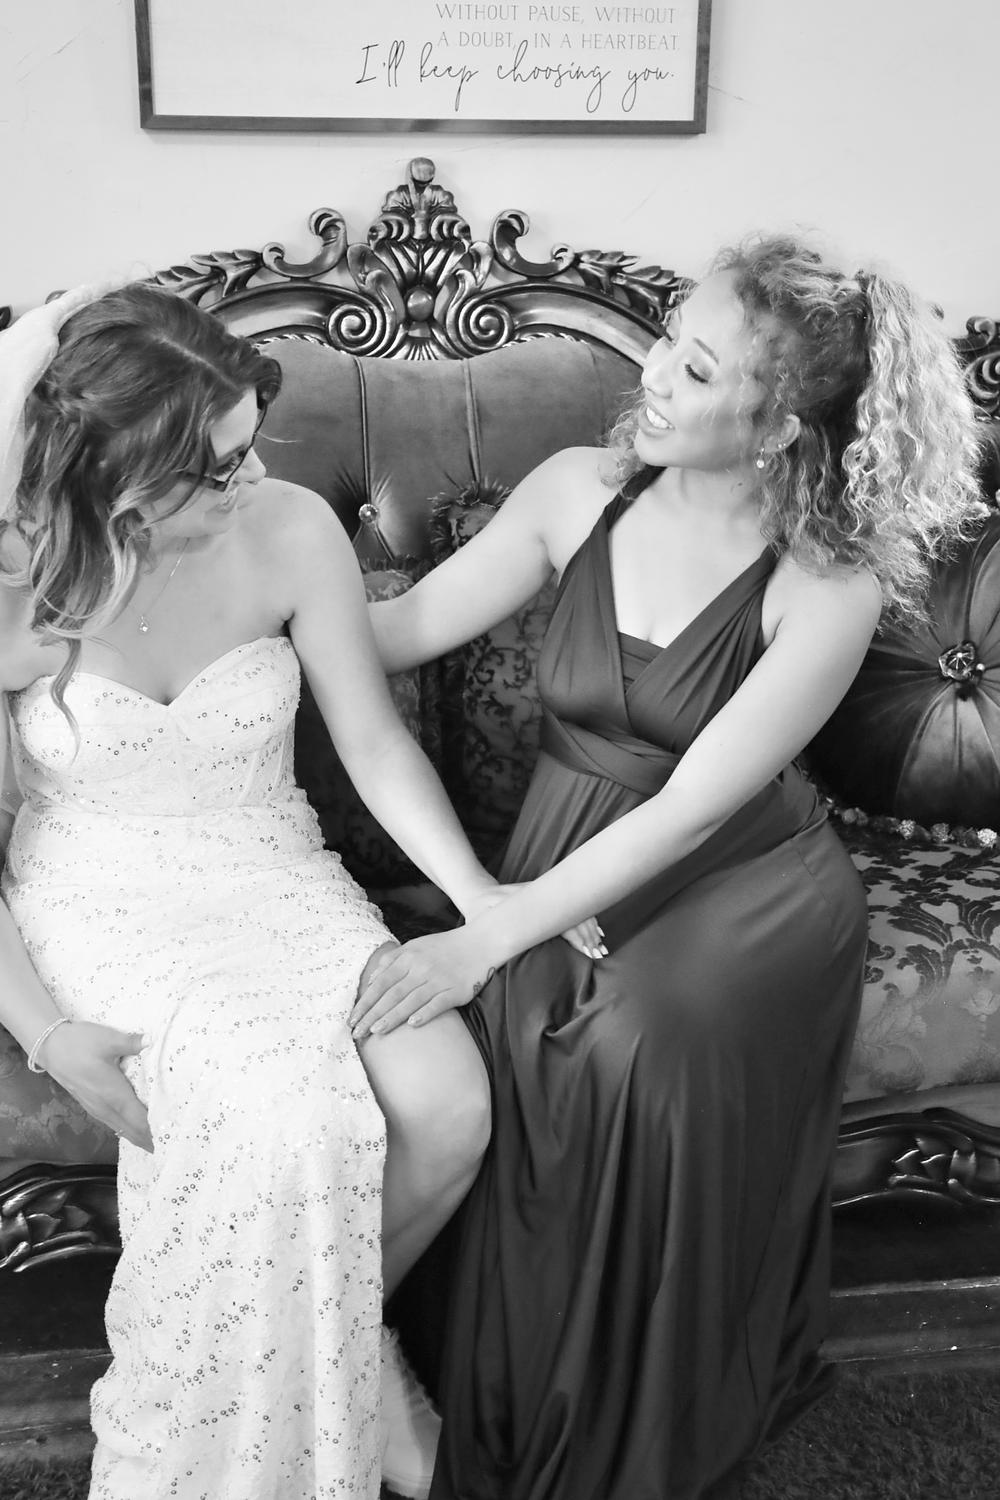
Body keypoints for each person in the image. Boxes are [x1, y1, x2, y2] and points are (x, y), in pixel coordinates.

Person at [353, 236, 985, 1499]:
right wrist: (241, 594)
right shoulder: (576, 490)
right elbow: (397, 629)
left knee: (631, 1043)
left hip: (743, 879)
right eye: (664, 340)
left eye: (694, 369)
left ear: (778, 427)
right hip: (569, 842)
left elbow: (696, 808)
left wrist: (490, 931)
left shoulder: (829, 582)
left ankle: (617, 1417)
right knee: (527, 1026)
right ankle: (479, 1387)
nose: (649, 373)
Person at [0, 283, 496, 1500]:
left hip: (270, 867)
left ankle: (346, 1355)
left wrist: (484, 901)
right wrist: (47, 1032)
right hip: (103, 893)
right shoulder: (19, 588)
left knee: (448, 1105)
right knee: (287, 1121)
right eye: (219, 466)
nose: (257, 473)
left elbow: (373, 745)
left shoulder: (287, 528)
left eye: (248, 442)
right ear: (117, 480)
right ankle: (289, 1415)